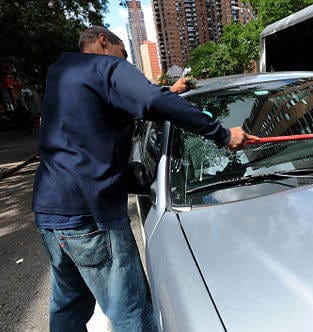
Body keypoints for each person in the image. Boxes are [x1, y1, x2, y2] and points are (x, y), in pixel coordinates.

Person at [32, 26, 257, 331]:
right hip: (91, 217)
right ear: (103, 41)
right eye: (123, 55)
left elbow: (101, 118)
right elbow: (150, 101)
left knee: (69, 306)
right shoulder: (106, 66)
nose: (125, 63)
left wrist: (169, 92)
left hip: (51, 214)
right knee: (133, 316)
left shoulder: (63, 73)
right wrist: (222, 133)